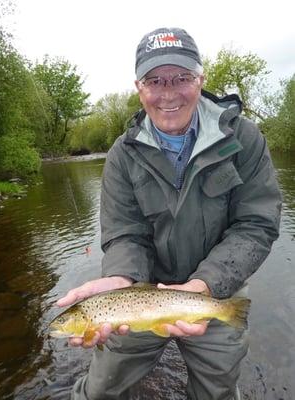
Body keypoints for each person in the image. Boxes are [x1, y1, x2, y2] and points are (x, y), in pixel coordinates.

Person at [57, 27, 282, 400]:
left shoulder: (244, 139)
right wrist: (120, 278)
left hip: (216, 288)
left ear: (201, 79)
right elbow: (125, 234)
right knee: (99, 391)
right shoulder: (122, 155)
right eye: (154, 80)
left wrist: (206, 285)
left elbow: (256, 225)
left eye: (181, 78)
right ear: (138, 87)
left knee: (217, 392)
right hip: (141, 293)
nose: (168, 92)